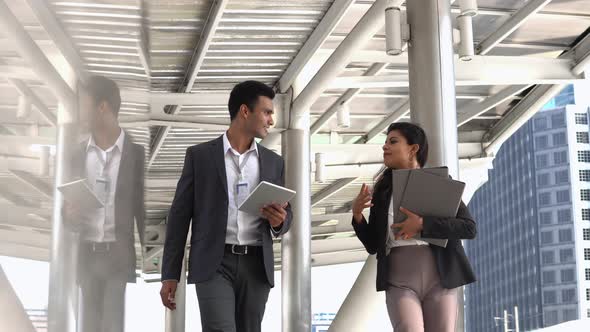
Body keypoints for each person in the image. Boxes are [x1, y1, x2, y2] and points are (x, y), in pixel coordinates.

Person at [159, 80, 293, 332]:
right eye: (266, 112)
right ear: (245, 111)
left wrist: (279, 221)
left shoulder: (274, 163)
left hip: (256, 266)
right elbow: (178, 217)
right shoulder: (200, 157)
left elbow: (287, 215)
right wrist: (170, 274)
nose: (271, 120)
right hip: (214, 263)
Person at [351, 122, 476, 332]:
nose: (385, 147)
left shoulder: (440, 183)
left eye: (393, 141)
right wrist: (357, 215)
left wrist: (422, 224)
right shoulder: (382, 191)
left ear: (413, 148)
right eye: (385, 142)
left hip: (440, 276)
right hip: (398, 279)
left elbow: (468, 228)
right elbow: (373, 245)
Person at [63, 75, 145, 332]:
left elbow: (141, 210)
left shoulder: (136, 154)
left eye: (83, 105)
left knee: (112, 326)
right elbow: (67, 218)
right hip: (87, 257)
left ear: (102, 107)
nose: (80, 112)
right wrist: (70, 214)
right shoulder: (76, 155)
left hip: (117, 259)